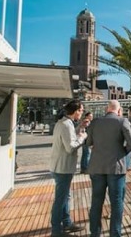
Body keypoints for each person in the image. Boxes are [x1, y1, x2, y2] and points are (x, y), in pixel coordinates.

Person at [86, 100, 131, 237]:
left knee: (96, 202)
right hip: (116, 168)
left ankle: (94, 233)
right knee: (116, 202)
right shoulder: (122, 121)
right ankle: (115, 234)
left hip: (97, 167)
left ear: (106, 109)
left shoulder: (95, 122)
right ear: (119, 110)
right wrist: (122, 152)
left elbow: (88, 142)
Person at [49, 100, 87, 237]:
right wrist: (82, 138)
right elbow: (70, 147)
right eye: (81, 110)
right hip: (63, 168)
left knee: (65, 196)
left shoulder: (64, 123)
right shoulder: (66, 125)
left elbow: (68, 138)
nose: (82, 113)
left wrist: (79, 129)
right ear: (76, 111)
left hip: (58, 166)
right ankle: (56, 231)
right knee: (61, 199)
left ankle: (67, 222)